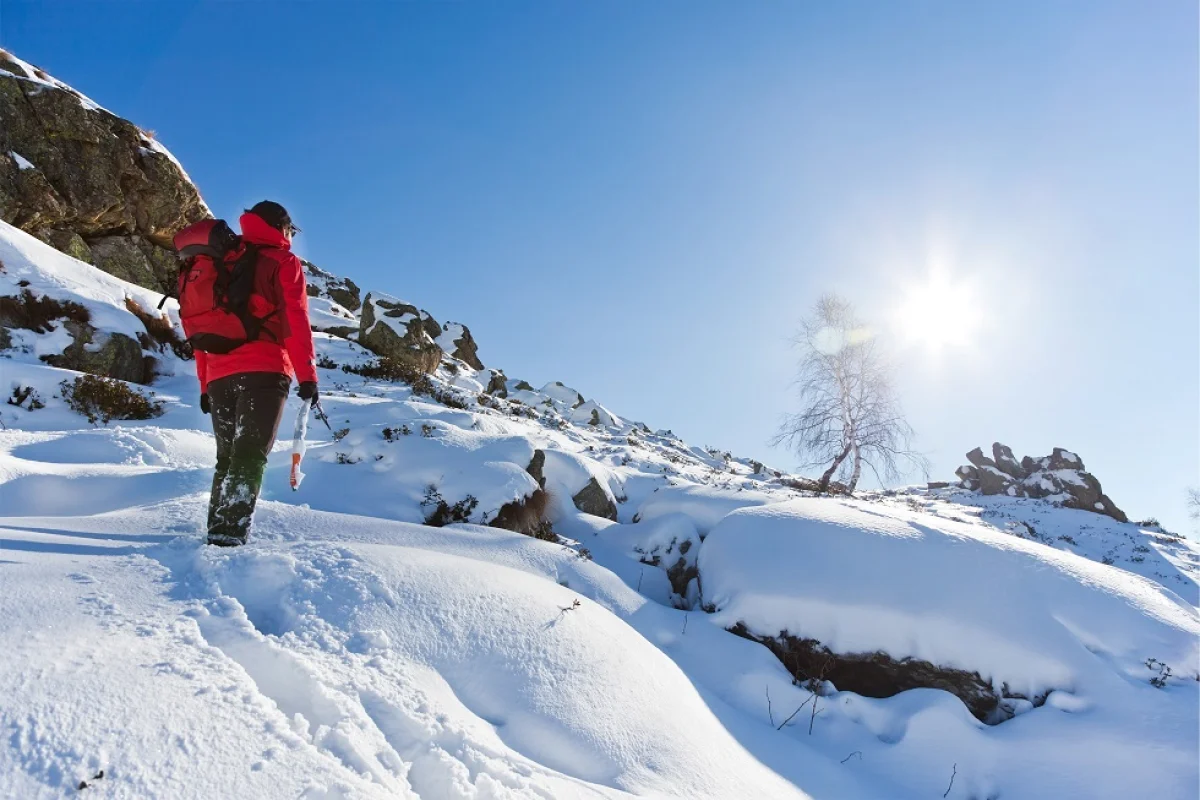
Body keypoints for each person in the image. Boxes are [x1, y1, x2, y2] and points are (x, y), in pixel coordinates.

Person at [195, 200, 318, 546]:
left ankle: (218, 531)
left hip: (218, 375)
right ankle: (228, 538)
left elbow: (202, 327)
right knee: (249, 455)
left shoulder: (221, 261)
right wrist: (308, 377)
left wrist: (205, 383)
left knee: (226, 458)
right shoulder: (283, 262)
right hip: (264, 371)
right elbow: (295, 321)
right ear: (280, 228)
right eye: (290, 230)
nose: (291, 236)